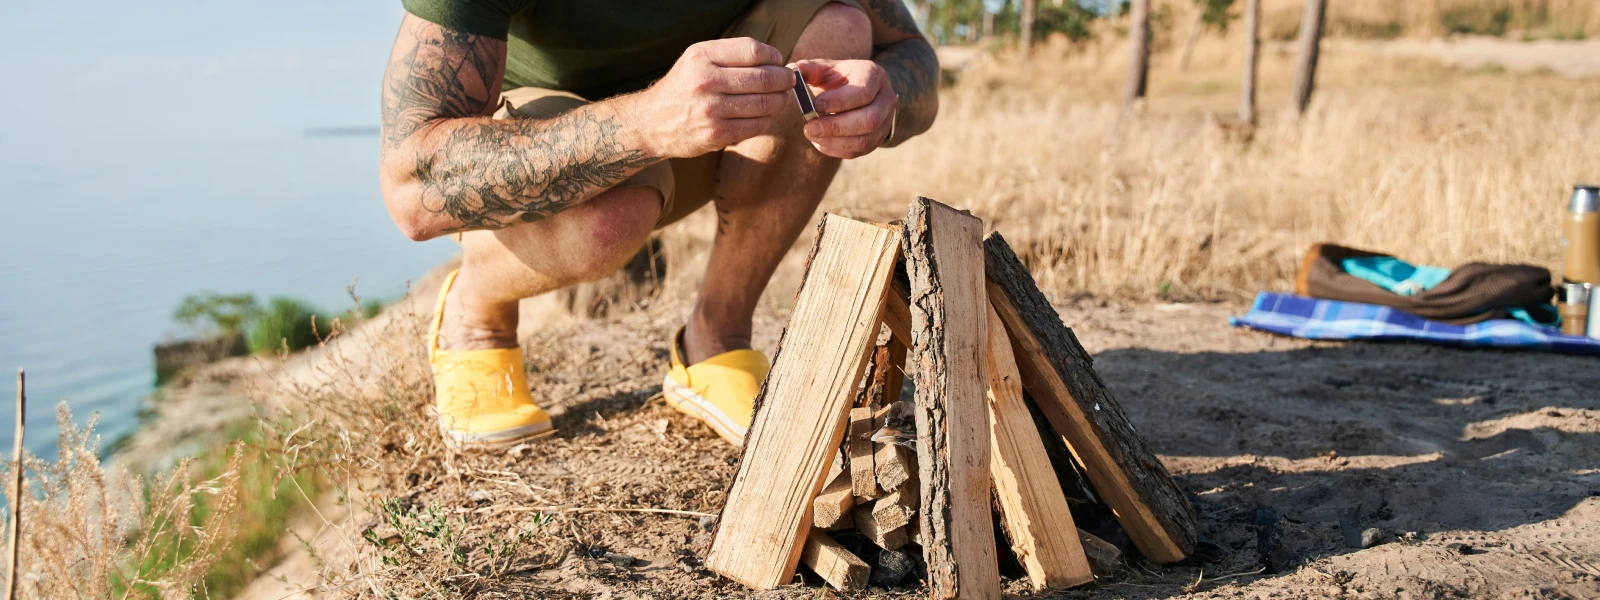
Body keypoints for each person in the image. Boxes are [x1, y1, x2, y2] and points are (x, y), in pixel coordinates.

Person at [378, 0, 940, 448]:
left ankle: (717, 337)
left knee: (839, 28)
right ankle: (478, 313)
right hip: (539, 165)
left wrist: (885, 98)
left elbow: (912, 54)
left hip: (711, 131)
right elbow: (411, 185)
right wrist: (645, 125)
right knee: (608, 218)